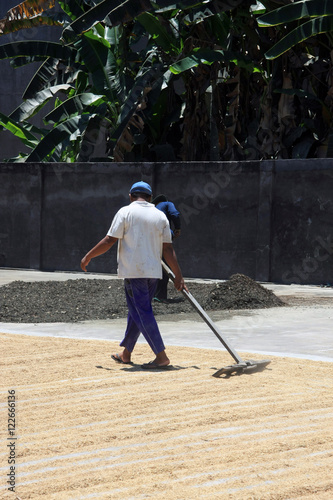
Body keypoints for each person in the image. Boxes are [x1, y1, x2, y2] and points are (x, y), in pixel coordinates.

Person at [80, 181, 187, 369]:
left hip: (134, 272)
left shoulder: (125, 212)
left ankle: (161, 356)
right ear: (150, 198)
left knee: (142, 312)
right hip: (153, 273)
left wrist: (88, 256)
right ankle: (126, 353)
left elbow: (109, 240)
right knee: (137, 312)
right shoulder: (160, 216)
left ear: (131, 196)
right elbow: (168, 249)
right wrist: (178, 275)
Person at [152, 195, 181, 303]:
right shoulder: (168, 204)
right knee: (165, 265)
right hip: (163, 238)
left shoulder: (152, 209)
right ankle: (160, 296)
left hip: (149, 239)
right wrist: (177, 228)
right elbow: (175, 214)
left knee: (154, 265)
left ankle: (152, 294)